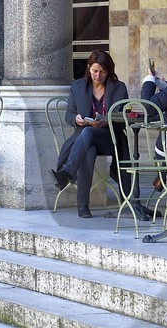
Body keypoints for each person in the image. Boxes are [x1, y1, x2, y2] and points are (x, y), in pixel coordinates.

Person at [52, 50, 128, 219]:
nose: (98, 75)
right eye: (94, 71)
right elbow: (69, 115)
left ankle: (68, 172)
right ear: (88, 68)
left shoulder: (119, 87)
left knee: (87, 133)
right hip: (85, 139)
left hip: (110, 138)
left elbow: (124, 118)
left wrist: (106, 121)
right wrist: (76, 119)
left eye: (102, 71)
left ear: (109, 71)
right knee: (89, 149)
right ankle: (83, 206)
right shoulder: (78, 86)